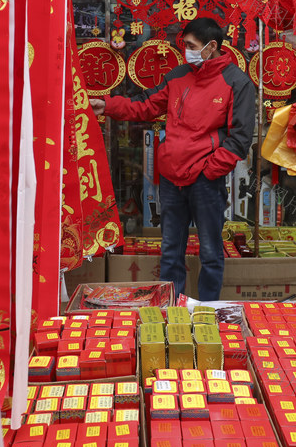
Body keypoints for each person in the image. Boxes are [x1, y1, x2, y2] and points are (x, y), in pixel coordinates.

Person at [90, 18, 256, 301]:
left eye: (191, 46)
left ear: (211, 46)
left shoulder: (236, 82)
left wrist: (209, 170)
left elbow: (240, 139)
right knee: (170, 251)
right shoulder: (178, 75)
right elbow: (146, 105)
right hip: (171, 178)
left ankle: (208, 312)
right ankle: (171, 312)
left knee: (211, 252)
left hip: (205, 180)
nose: (186, 52)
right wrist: (107, 105)